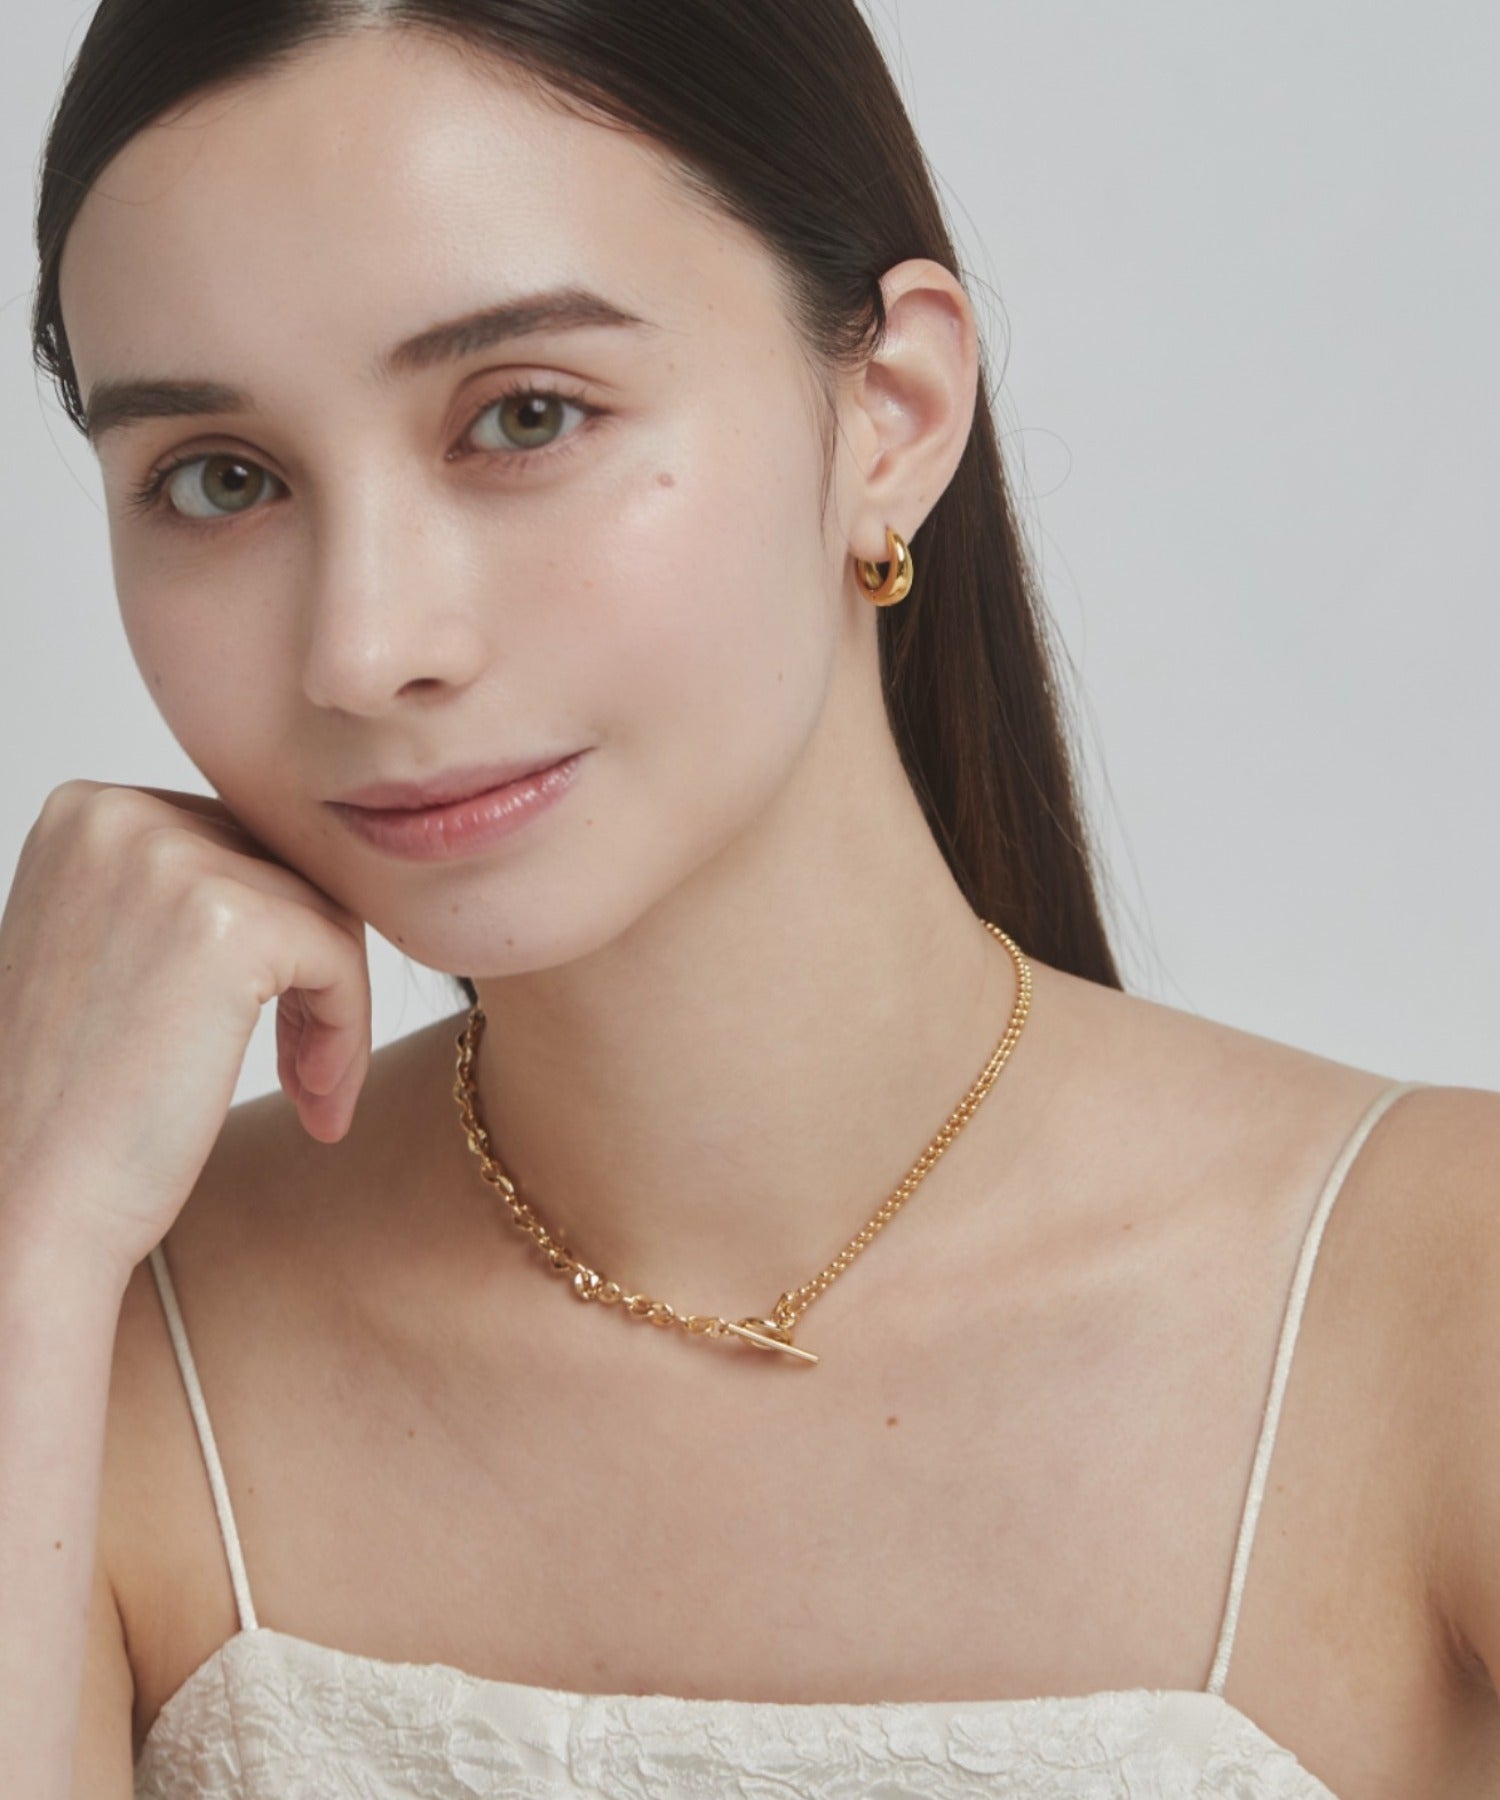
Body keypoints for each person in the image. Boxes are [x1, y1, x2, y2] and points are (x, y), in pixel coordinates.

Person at [2, 1, 1497, 1795]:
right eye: (220, 479)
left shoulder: (1439, 1302)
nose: (367, 646)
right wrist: (29, 1239)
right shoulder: (96, 1329)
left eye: (524, 415)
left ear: (891, 411)